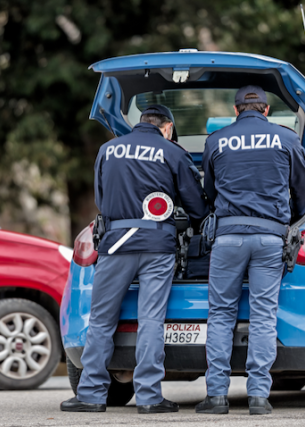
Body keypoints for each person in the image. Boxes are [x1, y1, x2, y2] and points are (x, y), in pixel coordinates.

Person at [61, 104, 208, 414]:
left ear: (140, 123)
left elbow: (101, 199)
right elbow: (195, 205)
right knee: (151, 319)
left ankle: (90, 395)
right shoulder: (172, 152)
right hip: (158, 246)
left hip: (115, 245)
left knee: (101, 319)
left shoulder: (108, 149)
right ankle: (150, 398)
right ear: (167, 127)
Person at [195, 85, 305, 415]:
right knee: (263, 315)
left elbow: (208, 190)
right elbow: (303, 190)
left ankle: (216, 396)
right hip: (270, 239)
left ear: (234, 111)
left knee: (220, 315)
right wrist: (291, 220)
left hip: (228, 238)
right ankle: (259, 395)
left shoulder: (216, 140)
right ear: (266, 110)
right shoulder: (286, 138)